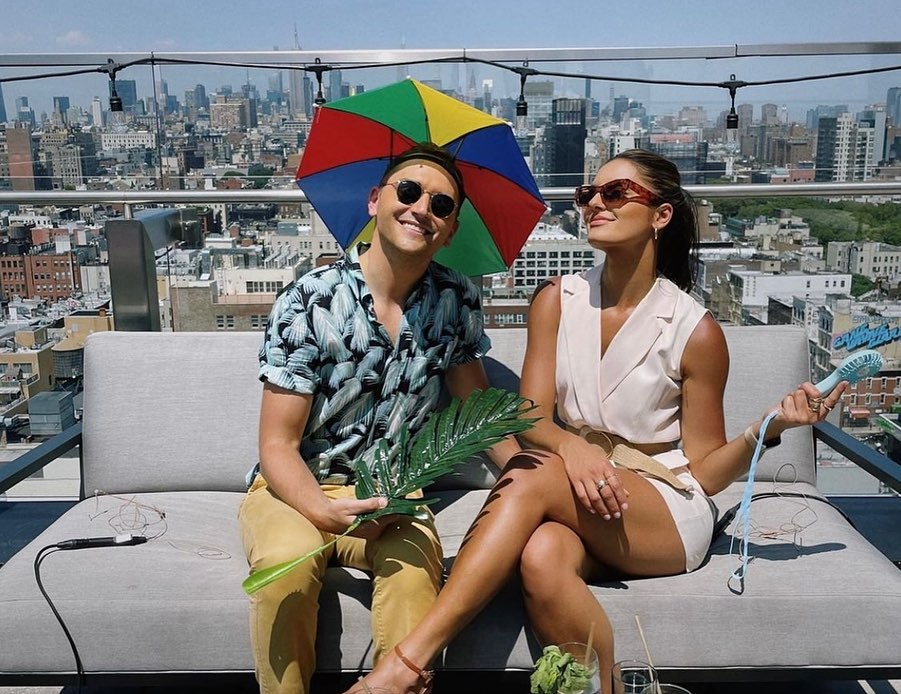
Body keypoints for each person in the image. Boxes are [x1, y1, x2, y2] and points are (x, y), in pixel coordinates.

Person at [351, 148, 845, 694]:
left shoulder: (695, 330)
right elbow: (530, 416)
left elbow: (704, 473)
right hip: (583, 493)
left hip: (663, 504)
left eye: (614, 193)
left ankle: (405, 664)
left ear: (661, 215)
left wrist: (769, 427)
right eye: (588, 194)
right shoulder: (556, 300)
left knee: (533, 471)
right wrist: (574, 448)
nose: (593, 204)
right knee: (541, 556)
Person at [238, 142, 519, 694]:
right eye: (408, 191)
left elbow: (476, 414)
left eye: (441, 205)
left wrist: (529, 477)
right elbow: (277, 445)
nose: (422, 209)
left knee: (415, 581)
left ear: (451, 229)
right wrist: (322, 509)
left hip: (395, 497)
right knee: (284, 573)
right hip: (297, 487)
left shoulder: (455, 299)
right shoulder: (309, 299)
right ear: (375, 200)